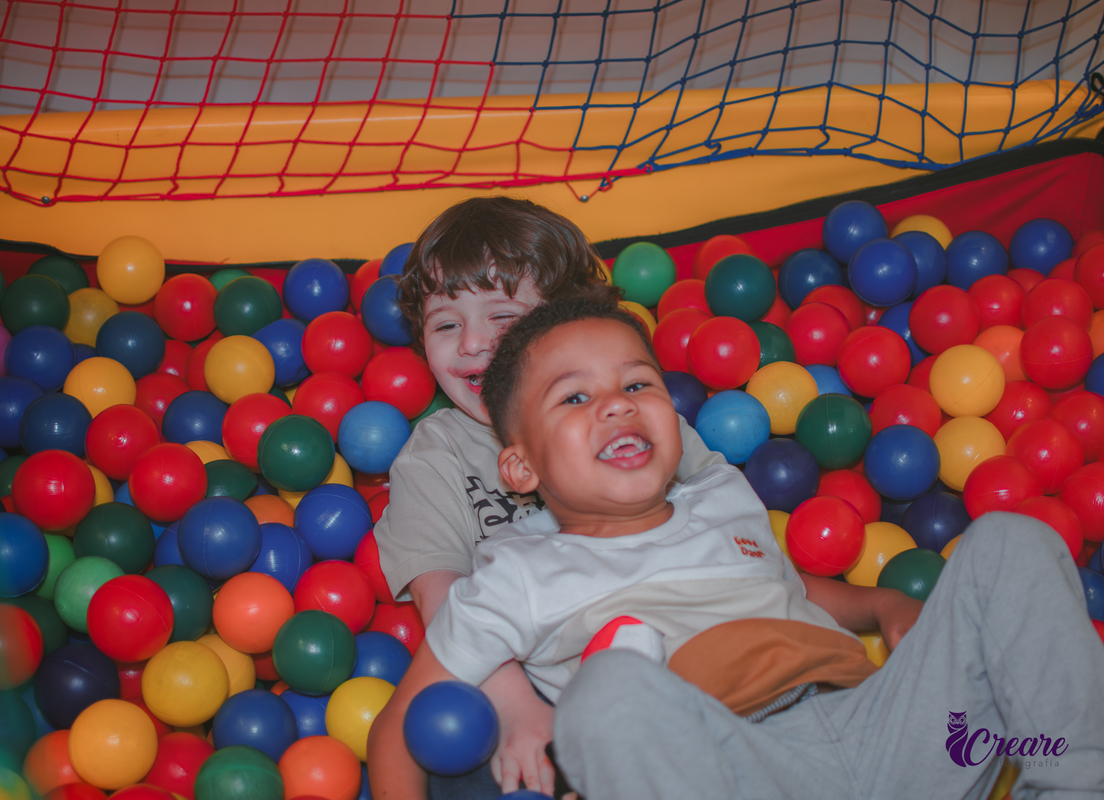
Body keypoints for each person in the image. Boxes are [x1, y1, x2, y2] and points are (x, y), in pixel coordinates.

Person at [367, 298, 1104, 800]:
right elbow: (399, 729)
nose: (617, 402)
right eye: (575, 397)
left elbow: (787, 590)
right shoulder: (517, 573)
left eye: (637, 383)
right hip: (730, 767)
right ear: (521, 467)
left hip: (888, 727)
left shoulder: (718, 497)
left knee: (1013, 540)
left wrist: (881, 604)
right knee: (607, 695)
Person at [373, 196, 726, 795]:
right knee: (451, 744)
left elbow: (718, 516)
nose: (473, 344)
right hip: (521, 673)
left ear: (563, 322)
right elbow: (446, 600)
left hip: (674, 636)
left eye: (503, 318)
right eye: (446, 324)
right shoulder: (435, 455)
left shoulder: (626, 412)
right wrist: (515, 709)